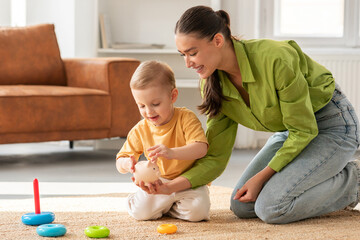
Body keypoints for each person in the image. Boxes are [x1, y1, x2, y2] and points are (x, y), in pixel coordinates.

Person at [140, 5, 360, 224]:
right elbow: (216, 156)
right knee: (242, 205)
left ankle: (356, 180)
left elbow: (303, 129)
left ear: (217, 41)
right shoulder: (211, 83)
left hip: (332, 126)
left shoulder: (275, 58)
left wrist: (262, 176)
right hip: (290, 133)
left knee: (272, 207)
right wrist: (170, 186)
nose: (188, 63)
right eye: (183, 55)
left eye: (193, 53)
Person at [115, 60, 210, 222]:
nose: (149, 111)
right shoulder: (141, 129)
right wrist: (128, 164)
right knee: (140, 213)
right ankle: (153, 202)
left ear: (172, 96)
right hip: (158, 182)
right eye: (141, 106)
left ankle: (169, 206)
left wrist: (171, 152)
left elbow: (201, 148)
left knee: (198, 213)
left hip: (188, 180)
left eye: (155, 104)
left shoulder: (186, 118)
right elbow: (120, 161)